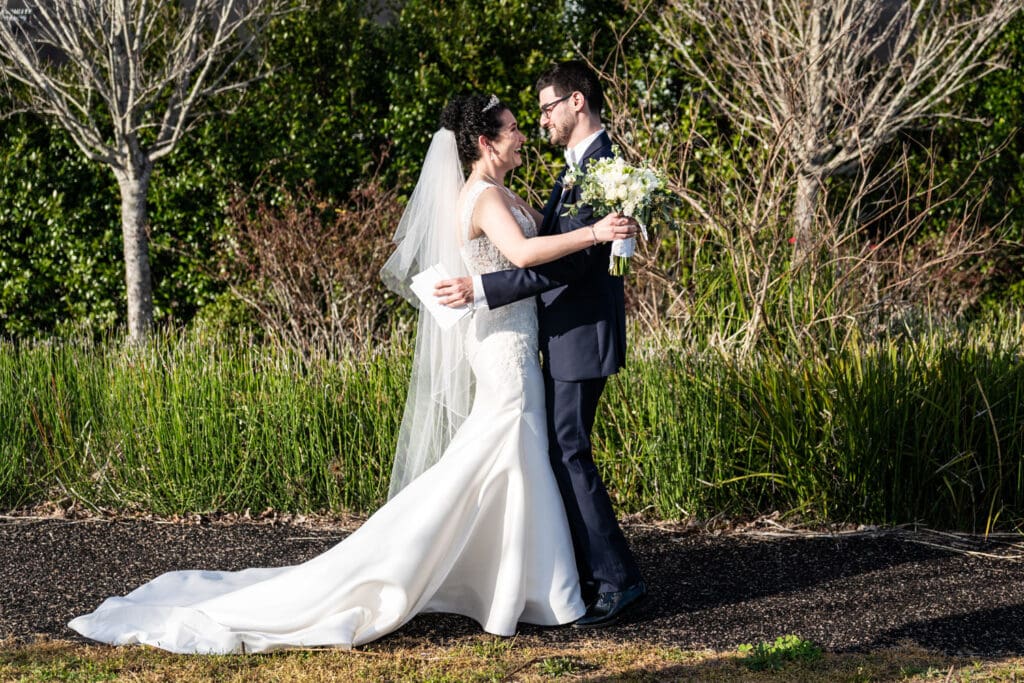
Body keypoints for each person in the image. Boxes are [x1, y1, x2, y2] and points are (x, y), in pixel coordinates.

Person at [66, 93, 637, 654]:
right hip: (503, 352)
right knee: (503, 454)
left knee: (511, 458)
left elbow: (544, 239)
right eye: (512, 128)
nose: (521, 135)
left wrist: (592, 215)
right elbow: (523, 257)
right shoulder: (483, 197)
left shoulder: (502, 191)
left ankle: (523, 583)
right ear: (486, 142)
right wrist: (596, 232)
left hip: (516, 342)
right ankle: (508, 582)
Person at [434, 61, 646, 628]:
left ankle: (615, 580)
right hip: (536, 337)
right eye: (522, 122)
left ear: (577, 102)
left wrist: (482, 289)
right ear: (486, 142)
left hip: (578, 333)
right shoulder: (564, 173)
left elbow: (570, 262)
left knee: (566, 450)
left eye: (547, 108)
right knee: (554, 452)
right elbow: (543, 249)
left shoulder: (605, 167)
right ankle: (579, 570)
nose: (537, 123)